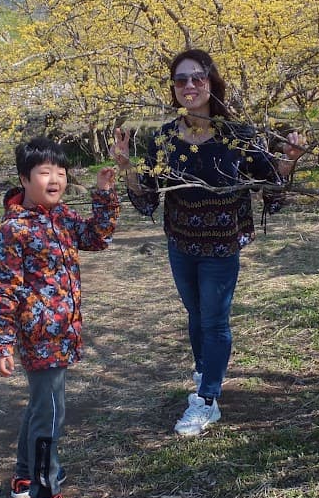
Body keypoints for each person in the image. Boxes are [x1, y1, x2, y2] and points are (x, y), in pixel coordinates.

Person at [111, 49, 305, 437]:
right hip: (181, 243)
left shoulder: (238, 137)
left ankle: (206, 400)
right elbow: (148, 198)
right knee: (196, 314)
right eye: (181, 80)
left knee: (215, 319)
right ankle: (205, 373)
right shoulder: (165, 138)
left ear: (212, 82)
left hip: (221, 247)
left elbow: (272, 190)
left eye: (197, 78)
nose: (189, 86)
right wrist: (126, 167)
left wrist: (289, 161)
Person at [0, 136, 119, 498]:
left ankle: (26, 477)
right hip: (38, 337)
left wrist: (104, 196)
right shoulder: (14, 230)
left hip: (63, 333)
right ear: (24, 179)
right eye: (45, 172)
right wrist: (3, 342)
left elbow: (98, 237)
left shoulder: (60, 216)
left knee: (40, 406)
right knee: (51, 413)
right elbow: (3, 289)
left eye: (60, 172)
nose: (55, 179)